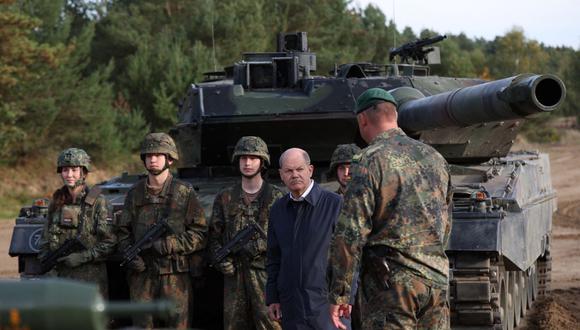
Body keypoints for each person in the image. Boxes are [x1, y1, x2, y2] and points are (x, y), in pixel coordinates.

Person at [328, 88, 453, 329]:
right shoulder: (435, 157)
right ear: (394, 116)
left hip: (392, 287)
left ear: (362, 119)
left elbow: (350, 232)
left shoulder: (370, 159)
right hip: (436, 281)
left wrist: (339, 294)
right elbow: (446, 224)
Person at [117, 132, 207, 329]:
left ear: (170, 159)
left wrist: (168, 244)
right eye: (148, 155)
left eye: (158, 155)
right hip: (142, 275)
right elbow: (122, 232)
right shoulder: (135, 194)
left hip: (175, 275)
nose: (153, 159)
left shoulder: (184, 192)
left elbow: (200, 234)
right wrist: (131, 257)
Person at [266, 148, 349, 330]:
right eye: (288, 171)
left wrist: (343, 298)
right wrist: (272, 297)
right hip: (291, 307)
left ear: (310, 170)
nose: (294, 175)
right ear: (281, 175)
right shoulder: (278, 209)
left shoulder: (335, 204)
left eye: (299, 169)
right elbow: (274, 257)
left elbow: (349, 257)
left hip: (328, 306)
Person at [208, 136, 284, 330]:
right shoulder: (225, 197)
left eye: (253, 158)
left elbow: (288, 240)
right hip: (235, 275)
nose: (247, 163)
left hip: (266, 275)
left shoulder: (277, 197)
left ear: (262, 162)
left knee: (271, 325)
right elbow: (214, 236)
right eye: (243, 158)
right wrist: (221, 261)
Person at [38, 148, 115, 297]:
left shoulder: (98, 202)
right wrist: (48, 265)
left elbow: (109, 242)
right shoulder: (56, 202)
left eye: (74, 170)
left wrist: (82, 257)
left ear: (84, 172)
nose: (69, 175)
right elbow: (45, 240)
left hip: (89, 281)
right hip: (59, 279)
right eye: (65, 170)